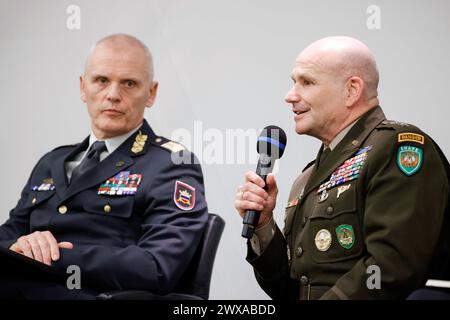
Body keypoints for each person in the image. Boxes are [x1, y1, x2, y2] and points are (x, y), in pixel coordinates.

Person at [235, 36, 450, 300]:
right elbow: (290, 288)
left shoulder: (398, 148)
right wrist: (264, 225)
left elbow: (390, 269)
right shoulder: (306, 177)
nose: (290, 96)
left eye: (307, 82)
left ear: (351, 90)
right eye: (293, 82)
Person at [0, 34, 208, 299]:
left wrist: (52, 255)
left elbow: (156, 267)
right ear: (82, 87)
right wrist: (21, 246)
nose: (113, 95)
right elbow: (7, 234)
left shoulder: (171, 164)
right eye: (101, 80)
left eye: (129, 83)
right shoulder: (52, 161)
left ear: (151, 93)